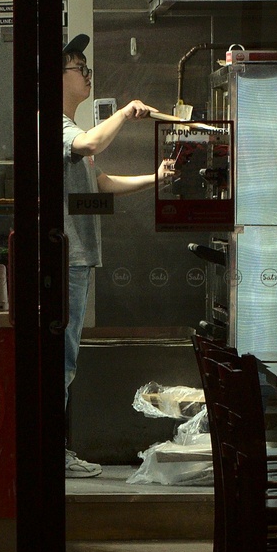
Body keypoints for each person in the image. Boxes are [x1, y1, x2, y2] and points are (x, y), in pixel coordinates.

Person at [59, 35, 171, 476]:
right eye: (78, 67)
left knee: (65, 359)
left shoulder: (73, 131)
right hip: (66, 260)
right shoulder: (58, 127)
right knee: (61, 362)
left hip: (78, 257)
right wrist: (125, 112)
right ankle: (55, 452)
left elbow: (99, 183)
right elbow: (89, 145)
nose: (87, 73)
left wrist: (155, 178)